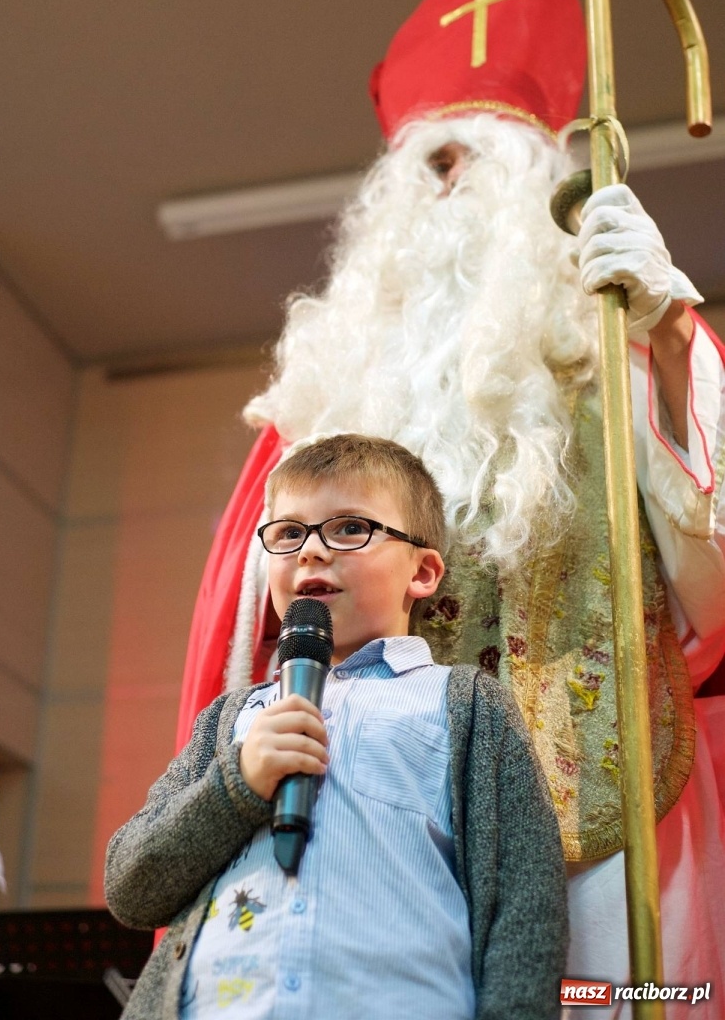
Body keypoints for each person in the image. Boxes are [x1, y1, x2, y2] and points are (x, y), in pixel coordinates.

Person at [174, 0, 725, 1017]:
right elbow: (242, 637)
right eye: (425, 162)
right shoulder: (322, 393)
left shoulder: (610, 339)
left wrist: (669, 341)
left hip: (594, 804)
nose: (445, 185)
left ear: (538, 182)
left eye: (474, 158)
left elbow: (710, 597)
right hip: (357, 821)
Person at [105, 433, 568, 1020]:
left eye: (350, 528)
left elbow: (525, 903)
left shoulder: (465, 703)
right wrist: (236, 785)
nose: (311, 552)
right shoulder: (231, 720)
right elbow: (131, 885)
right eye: (289, 533)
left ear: (422, 572)